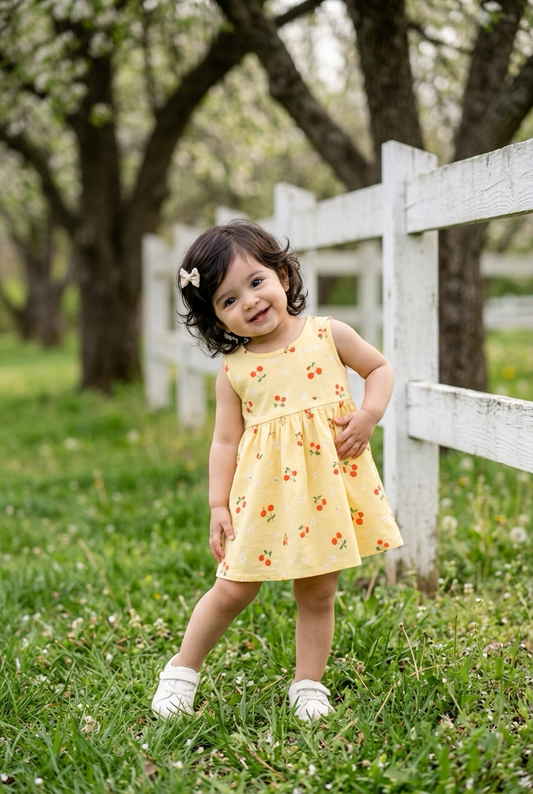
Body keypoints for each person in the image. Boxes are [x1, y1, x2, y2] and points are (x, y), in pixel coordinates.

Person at [151, 220, 403, 721]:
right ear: (217, 321)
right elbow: (224, 441)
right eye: (226, 300)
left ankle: (308, 685)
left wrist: (369, 414)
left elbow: (379, 369)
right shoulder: (235, 371)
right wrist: (217, 504)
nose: (247, 301)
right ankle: (181, 670)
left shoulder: (330, 334)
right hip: (261, 493)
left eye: (256, 281)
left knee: (318, 590)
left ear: (283, 276)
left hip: (324, 492)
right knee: (234, 586)